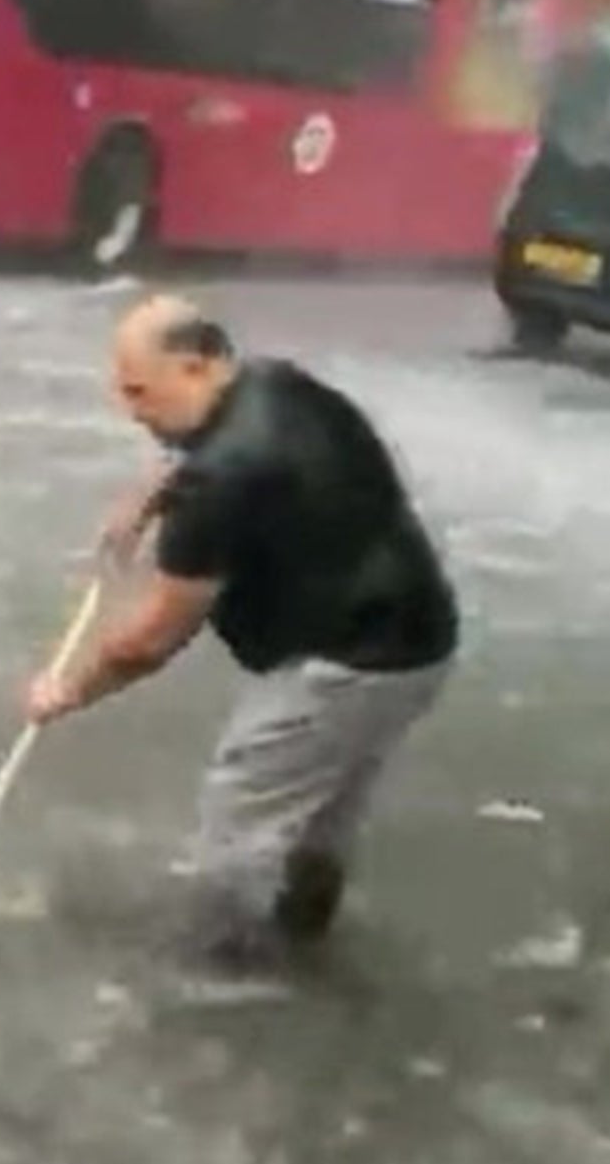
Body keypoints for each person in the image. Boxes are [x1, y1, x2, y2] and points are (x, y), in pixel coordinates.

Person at [25, 292, 460, 972]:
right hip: (419, 635)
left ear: (196, 368)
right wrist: (151, 494)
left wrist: (65, 691)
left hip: (347, 662)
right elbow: (210, 454)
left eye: (140, 391)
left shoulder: (221, 478)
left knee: (242, 812)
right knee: (322, 809)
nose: (129, 408)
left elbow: (150, 641)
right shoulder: (276, 383)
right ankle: (308, 941)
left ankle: (214, 978)